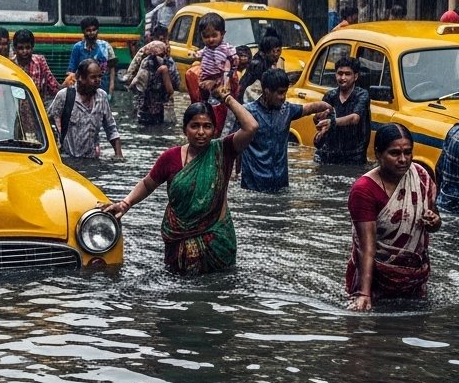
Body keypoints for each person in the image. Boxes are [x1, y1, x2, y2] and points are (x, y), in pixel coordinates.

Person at [100, 85, 260, 274]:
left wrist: (227, 97)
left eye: (207, 126)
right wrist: (125, 204)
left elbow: (251, 127)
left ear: (214, 130)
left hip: (217, 242)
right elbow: (148, 183)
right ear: (185, 129)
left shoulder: (223, 150)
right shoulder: (171, 157)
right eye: (195, 126)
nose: (201, 132)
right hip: (179, 243)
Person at [345, 124, 442, 311]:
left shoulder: (420, 177)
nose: (403, 159)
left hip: (413, 280)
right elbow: (367, 247)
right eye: (395, 153)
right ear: (378, 154)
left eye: (408, 152)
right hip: (375, 280)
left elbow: (434, 222)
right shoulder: (364, 190)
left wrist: (435, 221)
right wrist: (364, 295)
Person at [225, 68, 330, 193]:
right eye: (280, 93)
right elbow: (234, 147)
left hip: (280, 185)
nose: (283, 98)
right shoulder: (247, 114)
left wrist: (328, 109)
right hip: (253, 187)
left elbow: (309, 108)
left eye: (285, 93)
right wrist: (234, 174)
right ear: (266, 92)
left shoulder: (287, 110)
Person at [47, 60, 123, 159]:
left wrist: (118, 155)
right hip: (67, 158)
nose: (98, 80)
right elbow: (47, 122)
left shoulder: (102, 97)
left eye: (99, 76)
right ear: (81, 78)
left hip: (92, 159)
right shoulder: (65, 96)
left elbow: (111, 129)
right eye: (93, 77)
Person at [313, 56, 371, 164]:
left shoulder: (362, 95)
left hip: (354, 156)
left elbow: (355, 118)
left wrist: (332, 122)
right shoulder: (330, 96)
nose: (343, 77)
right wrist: (318, 119)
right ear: (335, 75)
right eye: (340, 73)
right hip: (330, 155)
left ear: (356, 76)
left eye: (347, 74)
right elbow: (321, 122)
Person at [124, 25, 178, 126]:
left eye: (164, 40)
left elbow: (174, 86)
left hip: (161, 106)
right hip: (145, 104)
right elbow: (131, 77)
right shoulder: (144, 59)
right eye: (160, 40)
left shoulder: (168, 62)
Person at [67, 16, 118, 94]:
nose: (92, 33)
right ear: (83, 32)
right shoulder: (77, 48)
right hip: (82, 90)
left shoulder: (106, 46)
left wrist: (111, 86)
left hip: (102, 88)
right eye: (88, 30)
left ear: (97, 30)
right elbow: (71, 70)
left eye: (94, 30)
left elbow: (112, 68)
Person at [192, 12, 235, 101]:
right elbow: (199, 53)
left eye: (214, 35)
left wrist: (222, 82)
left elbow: (232, 64)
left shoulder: (226, 49)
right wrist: (194, 55)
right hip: (205, 80)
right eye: (206, 36)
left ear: (222, 34)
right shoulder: (206, 49)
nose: (210, 39)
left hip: (220, 81)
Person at [11, 28, 59, 101]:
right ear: (15, 49)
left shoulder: (40, 62)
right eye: (21, 48)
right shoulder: (10, 65)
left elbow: (53, 87)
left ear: (32, 47)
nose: (25, 51)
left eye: (27, 47)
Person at [236, 35, 283, 103]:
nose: (276, 54)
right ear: (266, 51)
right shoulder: (258, 65)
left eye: (278, 50)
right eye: (273, 51)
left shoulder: (267, 62)